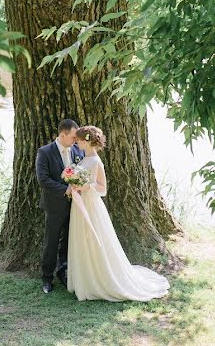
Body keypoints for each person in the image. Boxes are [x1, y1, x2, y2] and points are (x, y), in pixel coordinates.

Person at [67, 125, 170, 301]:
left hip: (91, 206)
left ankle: (100, 280)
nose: (76, 143)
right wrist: (72, 186)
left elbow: (102, 189)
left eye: (78, 140)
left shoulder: (96, 162)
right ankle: (85, 279)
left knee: (94, 240)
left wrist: (85, 186)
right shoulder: (84, 159)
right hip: (80, 205)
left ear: (86, 141)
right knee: (82, 239)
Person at [35, 119, 84, 294]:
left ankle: (64, 272)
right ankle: (47, 278)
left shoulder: (78, 151)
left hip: (76, 207)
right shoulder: (45, 152)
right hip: (54, 205)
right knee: (51, 242)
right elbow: (43, 180)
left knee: (69, 241)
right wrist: (66, 190)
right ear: (62, 135)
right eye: (72, 137)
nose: (75, 140)